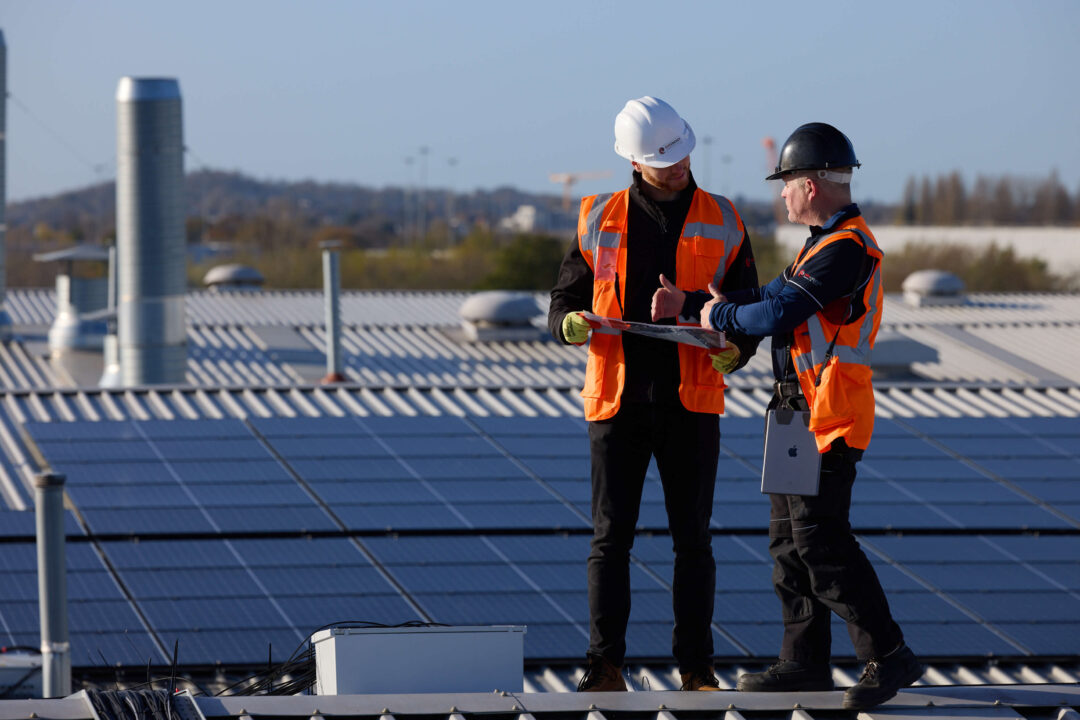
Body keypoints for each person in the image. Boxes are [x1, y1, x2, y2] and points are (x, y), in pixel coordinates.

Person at [662, 122, 922, 709]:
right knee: (787, 544)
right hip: (794, 413)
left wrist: (719, 320)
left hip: (827, 416)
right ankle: (803, 663)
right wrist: (696, 303)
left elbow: (778, 311)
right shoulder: (820, 246)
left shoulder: (846, 250)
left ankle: (889, 654)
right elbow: (764, 297)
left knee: (821, 542)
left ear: (810, 185)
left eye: (786, 184)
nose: (781, 194)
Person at [548, 96, 759, 692]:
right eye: (665, 160)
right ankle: (604, 667)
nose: (679, 167)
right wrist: (567, 324)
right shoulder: (598, 216)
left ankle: (697, 671)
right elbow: (564, 300)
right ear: (635, 163)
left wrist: (736, 351)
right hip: (617, 401)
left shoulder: (725, 218)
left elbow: (750, 308)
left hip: (691, 402)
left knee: (693, 541)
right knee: (610, 539)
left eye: (684, 155)